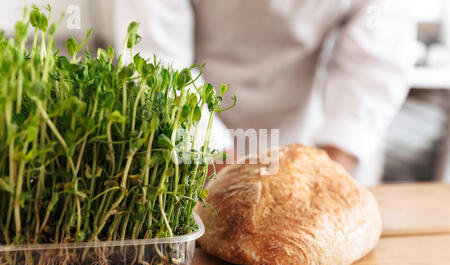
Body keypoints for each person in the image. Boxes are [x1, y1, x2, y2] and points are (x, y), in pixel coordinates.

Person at [97, 0, 416, 185]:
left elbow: (372, 68)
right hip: (188, 148)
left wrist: (323, 175)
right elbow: (159, 64)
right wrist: (231, 178)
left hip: (305, 137)